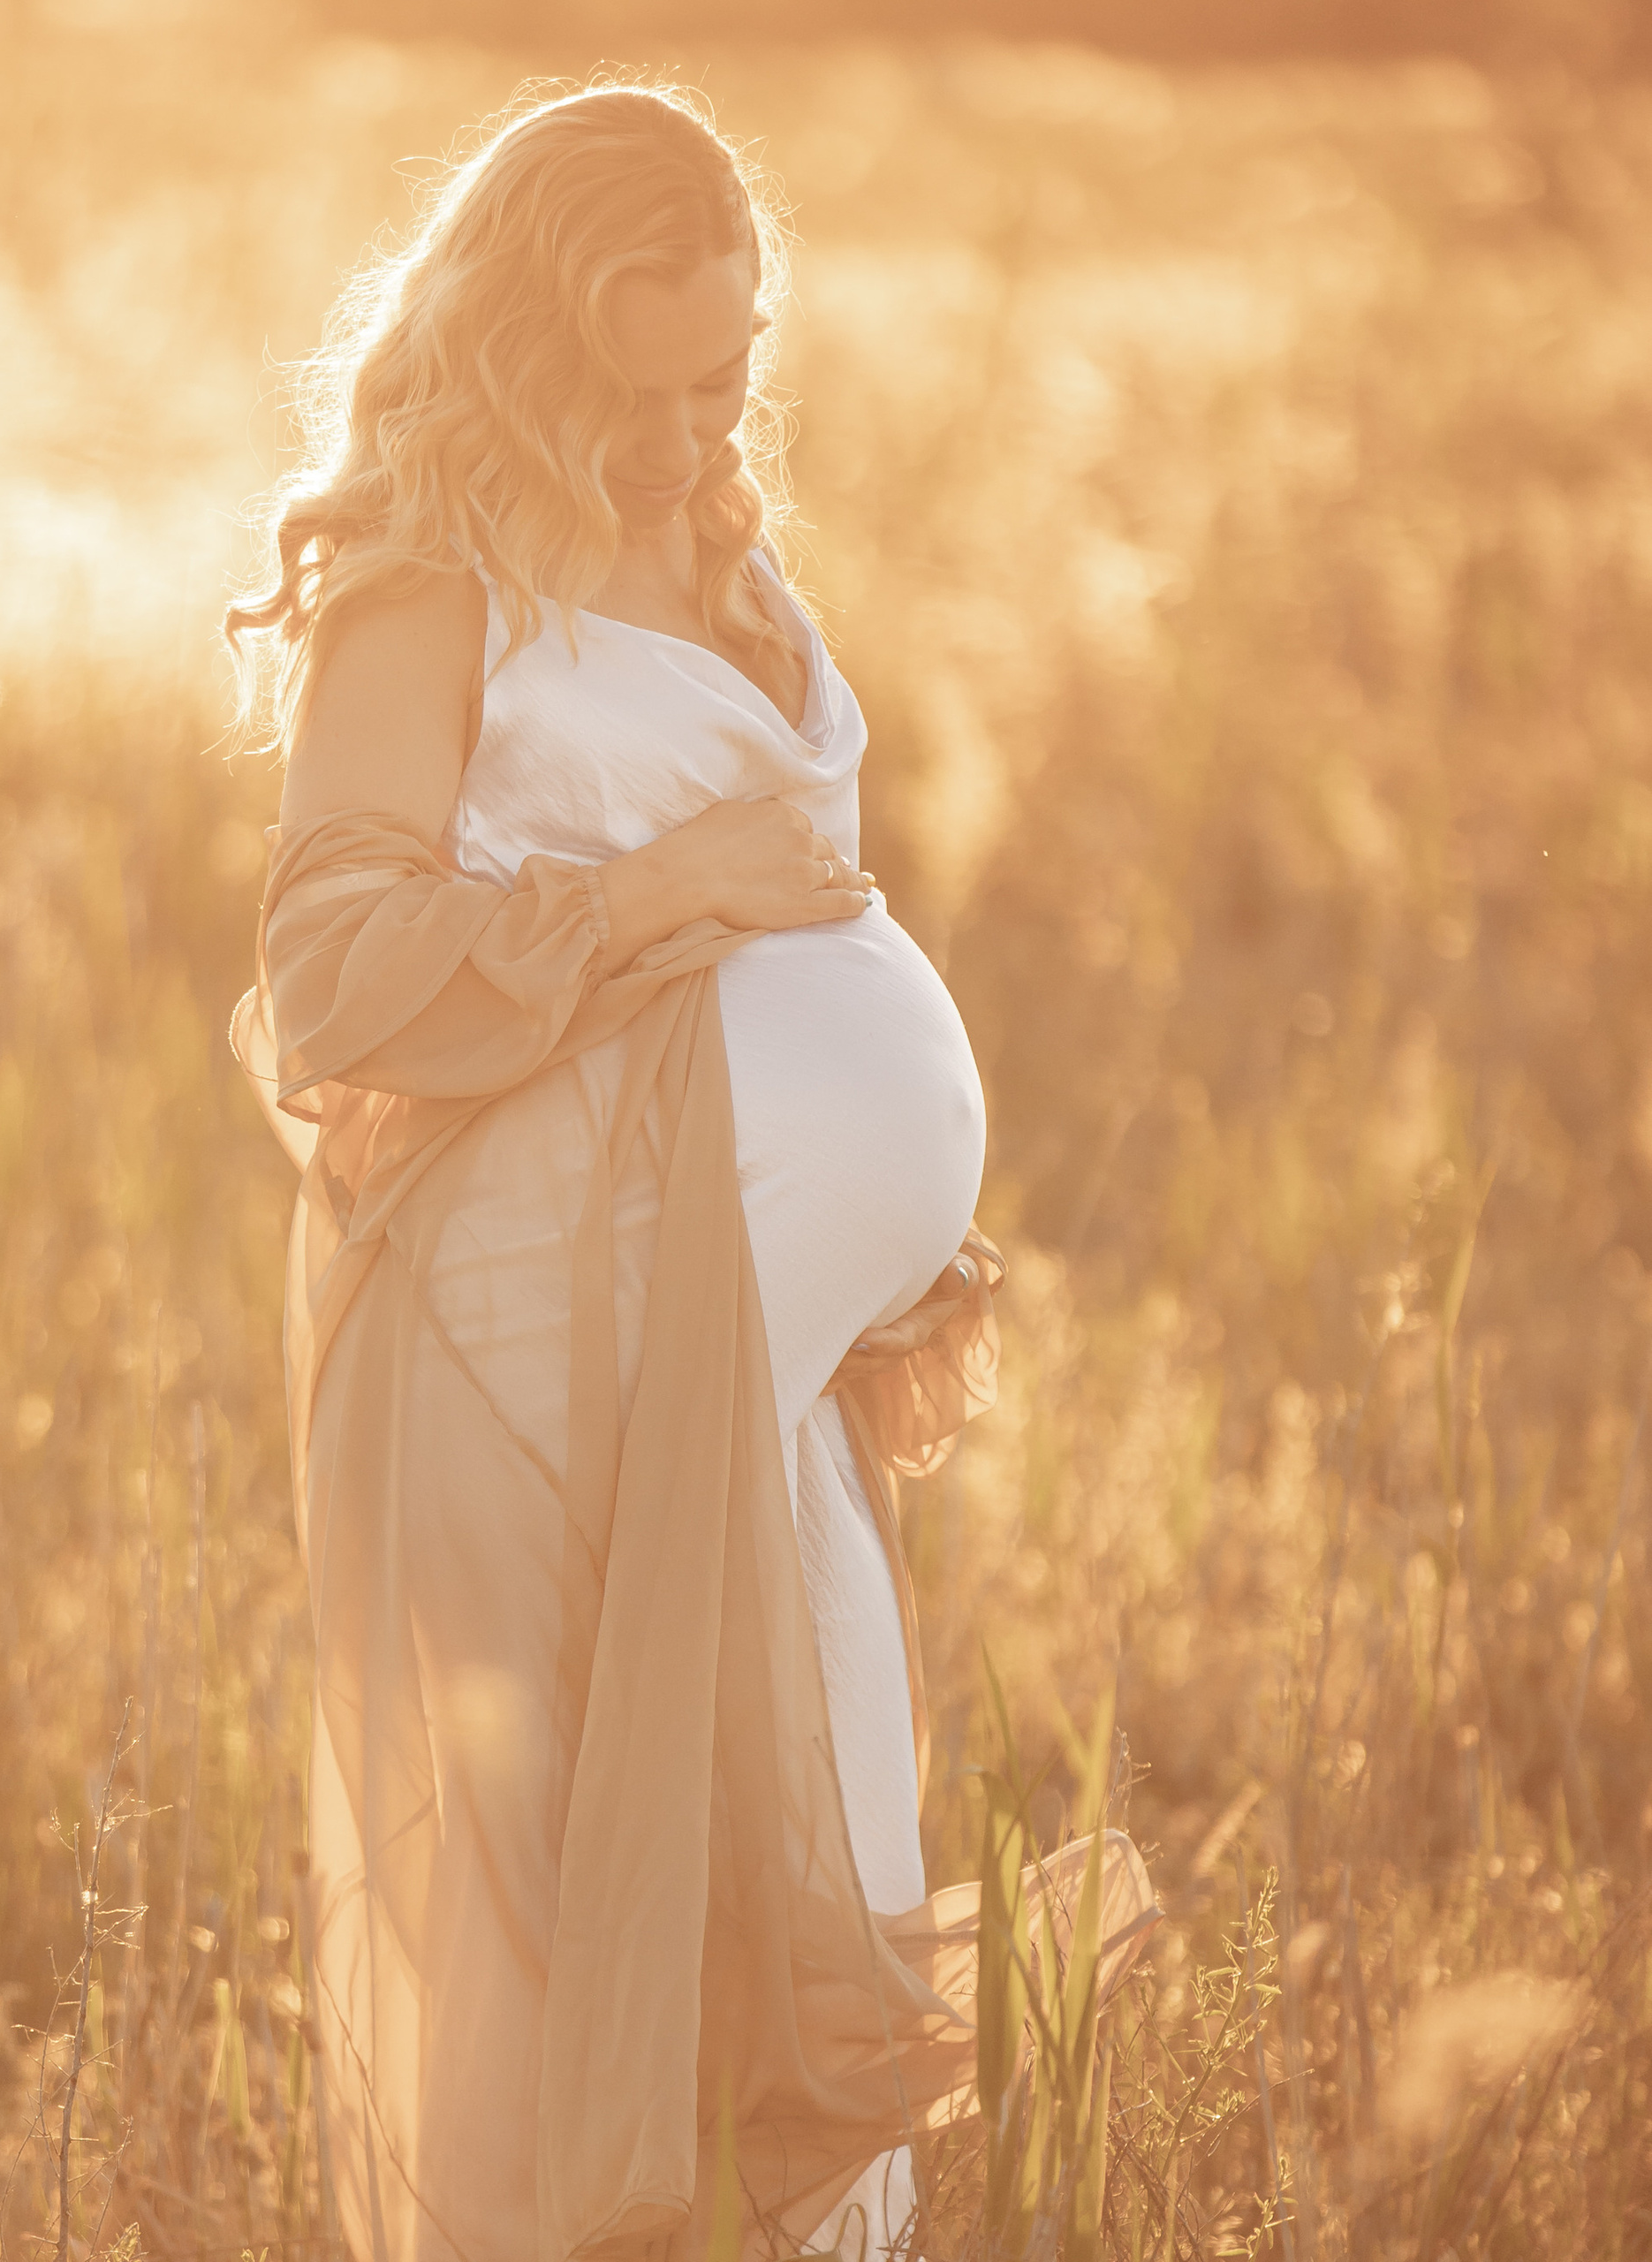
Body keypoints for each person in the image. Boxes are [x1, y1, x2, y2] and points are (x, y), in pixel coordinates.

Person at [228, 81, 1146, 2261]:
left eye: (721, 378)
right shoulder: (423, 584)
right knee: (567, 1982)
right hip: (516, 1359)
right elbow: (333, 972)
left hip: (743, 1384)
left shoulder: (715, 546)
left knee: (790, 1893)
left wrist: (870, 1229)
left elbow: (773, 949)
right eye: (622, 391)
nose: (676, 442)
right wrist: (667, 892)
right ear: (517, 346)